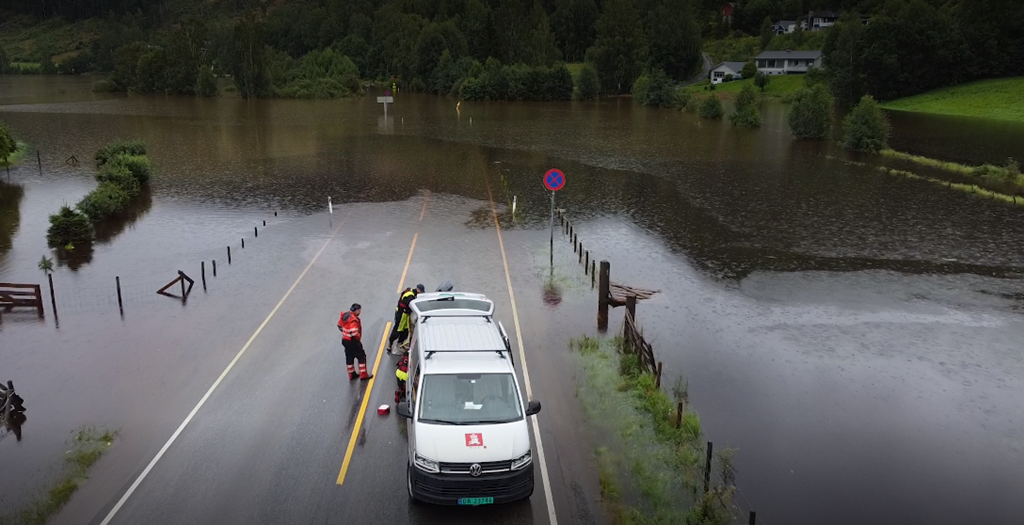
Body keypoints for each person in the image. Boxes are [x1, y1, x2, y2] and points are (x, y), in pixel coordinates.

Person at [338, 303, 372, 381]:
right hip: (352, 341)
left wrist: (345, 333)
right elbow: (354, 332)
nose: (360, 312)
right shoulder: (353, 319)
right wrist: (358, 338)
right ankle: (363, 375)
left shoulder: (345, 315)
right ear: (356, 310)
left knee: (349, 357)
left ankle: (352, 374)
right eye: (359, 310)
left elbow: (339, 325)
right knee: (361, 357)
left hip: (345, 340)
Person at [388, 284, 424, 353]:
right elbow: (406, 306)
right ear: (418, 290)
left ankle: (400, 343)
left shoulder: (411, 293)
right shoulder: (410, 297)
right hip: (401, 315)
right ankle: (390, 345)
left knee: (405, 332)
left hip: (404, 315)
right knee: (397, 330)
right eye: (421, 292)